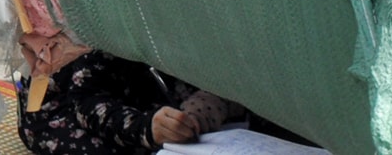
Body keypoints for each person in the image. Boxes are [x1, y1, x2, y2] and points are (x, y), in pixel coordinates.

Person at [18, 47, 242, 154]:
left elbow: (230, 89)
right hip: (72, 108)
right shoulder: (100, 36)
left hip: (151, 101)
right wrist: (146, 129)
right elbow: (87, 101)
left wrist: (195, 116)